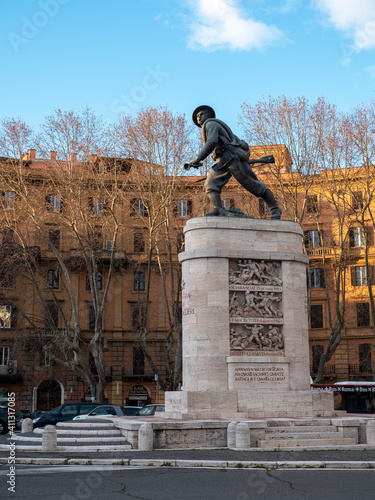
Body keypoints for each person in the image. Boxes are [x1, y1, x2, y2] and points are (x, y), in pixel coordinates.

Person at [186, 105, 282, 218]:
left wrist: (198, 158)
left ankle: (275, 209)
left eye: (202, 114)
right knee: (210, 185)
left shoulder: (211, 124)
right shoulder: (216, 126)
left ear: (209, 115)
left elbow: (212, 141)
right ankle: (218, 209)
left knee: (253, 185)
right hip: (223, 161)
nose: (199, 117)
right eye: (197, 116)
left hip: (232, 159)